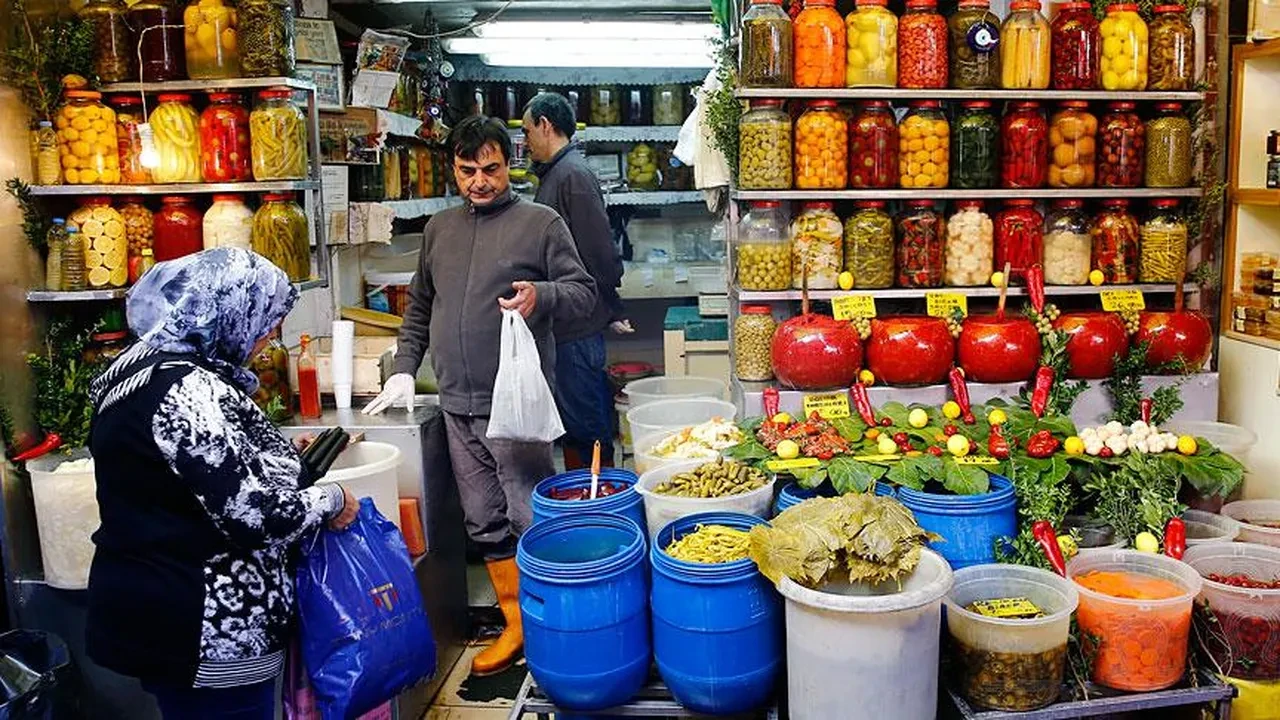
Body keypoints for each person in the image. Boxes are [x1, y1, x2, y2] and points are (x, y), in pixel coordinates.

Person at [362, 115, 597, 676]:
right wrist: (403, 368)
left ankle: (553, 622)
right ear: (454, 169)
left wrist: (540, 295)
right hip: (455, 404)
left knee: (528, 515)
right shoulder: (439, 229)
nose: (480, 182)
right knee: (482, 521)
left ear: (509, 163)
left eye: (490, 169)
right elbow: (419, 307)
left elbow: (584, 294)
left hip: (514, 407)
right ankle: (516, 624)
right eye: (468, 171)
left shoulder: (540, 223)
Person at [86, 248, 359, 720]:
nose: (271, 334)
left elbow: (188, 481)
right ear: (226, 309)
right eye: (266, 318)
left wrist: (287, 465)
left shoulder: (137, 373)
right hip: (205, 626)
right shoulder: (186, 388)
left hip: (159, 610)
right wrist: (329, 500)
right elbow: (256, 517)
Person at [523, 92, 629, 471]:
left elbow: (598, 248)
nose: (526, 140)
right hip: (565, 322)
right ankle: (583, 496)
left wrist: (611, 304)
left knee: (587, 424)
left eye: (527, 130)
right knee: (575, 421)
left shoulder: (573, 176)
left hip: (578, 324)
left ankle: (599, 503)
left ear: (545, 126)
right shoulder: (556, 174)